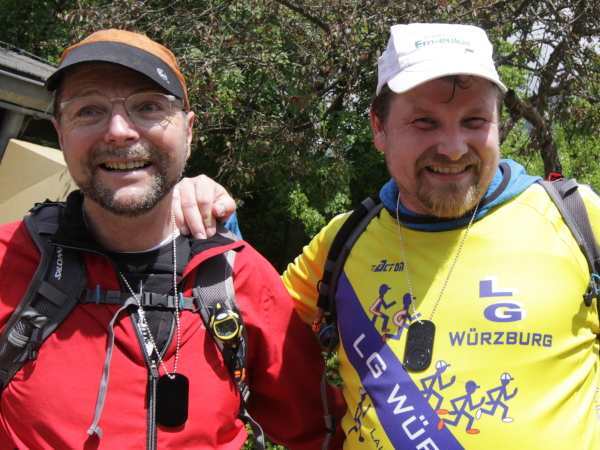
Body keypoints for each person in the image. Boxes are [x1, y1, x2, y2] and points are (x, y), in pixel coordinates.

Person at [178, 23, 600, 449]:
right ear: (378, 127)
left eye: (474, 120)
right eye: (424, 122)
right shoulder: (342, 242)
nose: (453, 147)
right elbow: (249, 333)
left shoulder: (577, 219)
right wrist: (213, 223)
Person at [0, 29, 345, 449]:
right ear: (60, 133)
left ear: (189, 131)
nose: (119, 131)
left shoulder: (239, 277)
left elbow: (327, 436)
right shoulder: (9, 260)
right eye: (88, 110)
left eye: (148, 106)